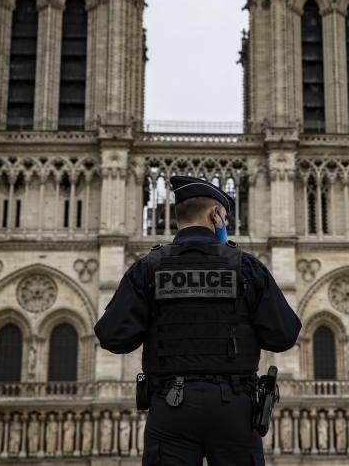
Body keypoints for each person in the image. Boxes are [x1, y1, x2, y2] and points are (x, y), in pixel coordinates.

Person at [94, 175, 302, 465]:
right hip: (234, 409)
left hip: (171, 407)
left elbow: (113, 337)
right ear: (215, 215)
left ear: (179, 218)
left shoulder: (147, 268)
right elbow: (284, 335)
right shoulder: (246, 267)